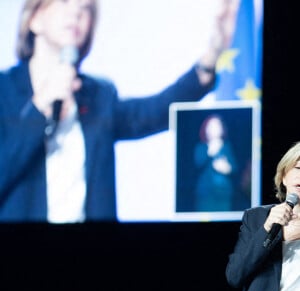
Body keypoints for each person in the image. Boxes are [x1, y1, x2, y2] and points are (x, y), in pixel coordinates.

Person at [0, 0, 240, 223]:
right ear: (34, 19)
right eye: (64, 2)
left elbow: (153, 112)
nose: (76, 12)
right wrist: (39, 108)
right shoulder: (5, 91)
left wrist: (211, 56)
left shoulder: (98, 95)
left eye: (85, 8)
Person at [226, 141, 300, 291]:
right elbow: (235, 276)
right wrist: (269, 231)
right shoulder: (256, 218)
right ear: (283, 177)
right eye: (298, 168)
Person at [193, 114, 237, 211]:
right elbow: (197, 165)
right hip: (205, 193)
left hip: (223, 193)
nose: (214, 129)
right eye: (211, 126)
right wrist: (210, 152)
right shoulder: (200, 147)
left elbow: (234, 168)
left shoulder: (227, 146)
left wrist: (227, 168)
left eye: (217, 126)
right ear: (206, 129)